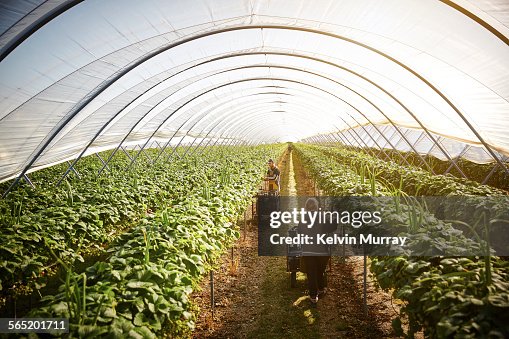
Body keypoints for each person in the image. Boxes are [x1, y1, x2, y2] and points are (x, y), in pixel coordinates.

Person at [298, 198, 336, 305]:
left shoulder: (303, 218)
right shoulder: (323, 216)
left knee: (311, 272)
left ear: (306, 207)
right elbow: (331, 227)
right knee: (320, 270)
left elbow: (299, 231)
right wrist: (334, 218)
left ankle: (313, 296)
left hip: (308, 250)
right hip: (322, 250)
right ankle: (321, 289)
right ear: (316, 206)